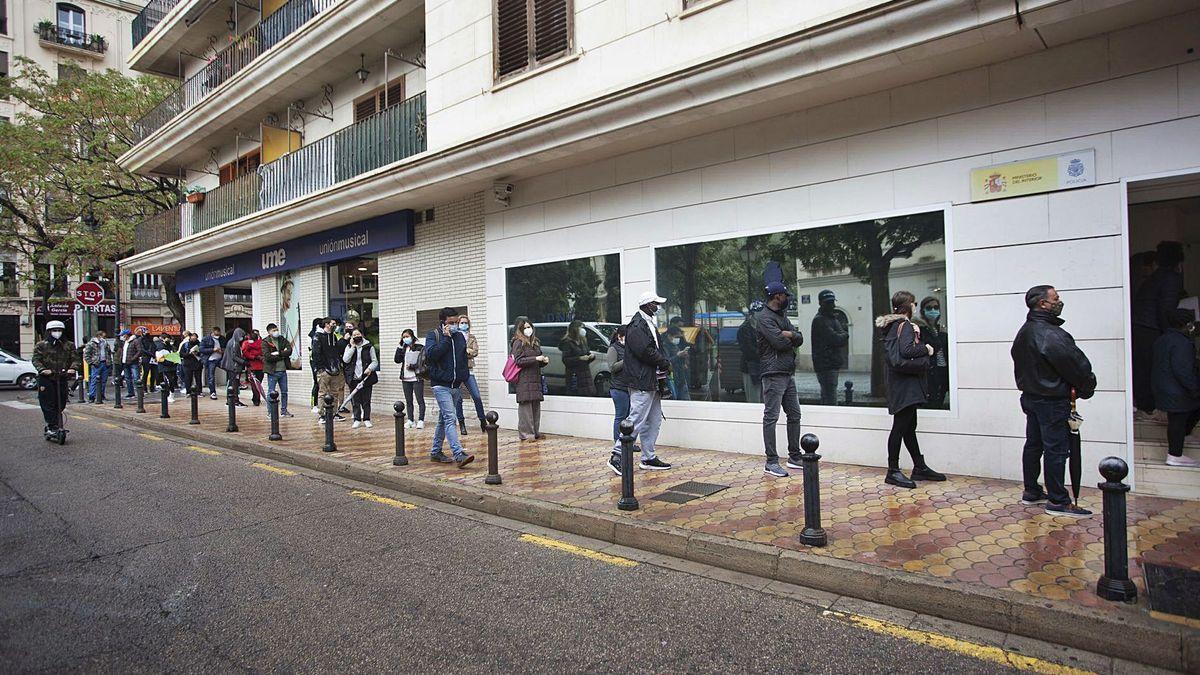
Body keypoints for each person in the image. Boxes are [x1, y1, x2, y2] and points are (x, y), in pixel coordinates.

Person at [1011, 285, 1097, 517]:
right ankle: (1058, 500)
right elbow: (1076, 365)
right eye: (1056, 298)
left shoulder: (1025, 331)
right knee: (1055, 449)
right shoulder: (1050, 334)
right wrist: (1087, 386)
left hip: (1032, 397)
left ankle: (1032, 490)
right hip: (1051, 400)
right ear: (1043, 303)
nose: (1059, 301)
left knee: (1034, 444)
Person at [877, 290, 947, 489]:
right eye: (914, 304)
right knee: (900, 427)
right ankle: (893, 471)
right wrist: (927, 349)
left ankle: (919, 466)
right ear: (910, 306)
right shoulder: (905, 325)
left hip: (901, 385)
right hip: (905, 385)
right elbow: (907, 351)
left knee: (908, 427)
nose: (916, 307)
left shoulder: (892, 326)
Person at [608, 291, 673, 475]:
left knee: (653, 420)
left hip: (652, 380)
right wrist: (663, 361)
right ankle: (617, 455)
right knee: (636, 418)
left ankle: (648, 457)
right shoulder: (636, 325)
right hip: (641, 380)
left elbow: (654, 348)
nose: (657, 307)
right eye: (655, 303)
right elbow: (645, 351)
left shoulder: (648, 323)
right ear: (646, 304)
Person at [1132, 241, 1186, 421]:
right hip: (1151, 329)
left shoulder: (1156, 277)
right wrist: (1170, 334)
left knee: (1143, 369)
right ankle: (1151, 408)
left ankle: (1145, 407)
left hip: (1141, 327)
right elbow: (1166, 309)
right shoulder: (1171, 278)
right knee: (1155, 369)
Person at [757, 281, 805, 477]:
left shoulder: (782, 316)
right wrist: (788, 337)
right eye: (785, 296)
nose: (788, 299)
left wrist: (790, 334)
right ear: (777, 296)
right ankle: (771, 461)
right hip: (773, 372)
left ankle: (794, 456)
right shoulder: (764, 318)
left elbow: (799, 338)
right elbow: (780, 344)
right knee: (771, 417)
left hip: (786, 372)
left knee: (794, 414)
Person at [424, 307, 475, 467]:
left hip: (455, 384)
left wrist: (463, 377)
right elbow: (432, 355)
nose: (454, 325)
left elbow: (461, 358)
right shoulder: (434, 335)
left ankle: (435, 452)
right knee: (450, 418)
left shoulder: (459, 336)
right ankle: (458, 453)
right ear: (443, 322)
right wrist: (446, 338)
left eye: (456, 322)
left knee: (443, 420)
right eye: (451, 322)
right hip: (440, 384)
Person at [1151, 309, 1200, 467]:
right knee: (1178, 420)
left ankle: (1180, 444)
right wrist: (1195, 389)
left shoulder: (1162, 339)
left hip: (1163, 388)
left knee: (1177, 420)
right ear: (1186, 325)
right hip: (1177, 390)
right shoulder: (1182, 343)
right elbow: (1183, 370)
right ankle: (1175, 454)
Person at [33, 321, 78, 436]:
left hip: (61, 376)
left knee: (61, 401)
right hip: (46, 377)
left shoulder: (69, 345)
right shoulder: (41, 345)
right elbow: (36, 360)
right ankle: (51, 425)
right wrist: (42, 370)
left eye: (59, 330)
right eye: (54, 330)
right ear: (49, 332)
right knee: (48, 402)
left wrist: (72, 368)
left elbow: (75, 359)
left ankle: (56, 422)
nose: (57, 333)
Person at [511, 317, 548, 441]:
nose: (528, 330)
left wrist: (543, 361)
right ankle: (526, 434)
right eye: (525, 328)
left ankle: (535, 432)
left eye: (529, 327)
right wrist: (535, 359)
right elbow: (519, 361)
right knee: (526, 409)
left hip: (535, 378)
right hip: (524, 379)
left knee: (536, 408)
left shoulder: (535, 342)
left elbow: (537, 358)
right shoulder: (518, 342)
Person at [811, 289, 848, 406]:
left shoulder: (832, 319)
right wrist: (844, 335)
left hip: (831, 363)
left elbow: (840, 336)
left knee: (828, 395)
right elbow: (836, 338)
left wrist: (842, 335)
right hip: (825, 364)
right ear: (821, 303)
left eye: (832, 302)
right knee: (830, 397)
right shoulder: (820, 320)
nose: (832, 305)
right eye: (829, 302)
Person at [913, 296, 949, 408]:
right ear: (923, 311)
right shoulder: (921, 329)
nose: (933, 310)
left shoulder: (940, 329)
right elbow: (932, 347)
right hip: (930, 371)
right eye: (929, 308)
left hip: (943, 370)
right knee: (931, 402)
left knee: (940, 400)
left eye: (936, 307)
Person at [454, 314, 486, 435]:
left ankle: (482, 420)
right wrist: (465, 351)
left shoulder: (472, 337)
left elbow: (475, 351)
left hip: (469, 370)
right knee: (458, 399)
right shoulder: (455, 337)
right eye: (461, 323)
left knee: (476, 396)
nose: (464, 325)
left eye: (465, 322)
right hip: (457, 370)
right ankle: (461, 423)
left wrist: (466, 351)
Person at [342, 327, 379, 429]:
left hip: (366, 378)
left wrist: (370, 368)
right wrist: (352, 347)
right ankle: (357, 419)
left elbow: (375, 361)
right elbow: (345, 360)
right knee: (355, 400)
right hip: (353, 378)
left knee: (366, 400)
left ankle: (367, 419)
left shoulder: (368, 346)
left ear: (362, 335)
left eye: (358, 335)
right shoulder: (349, 346)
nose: (357, 337)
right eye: (354, 335)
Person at [311, 318, 346, 422]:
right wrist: (320, 369)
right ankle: (322, 415)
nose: (335, 325)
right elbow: (316, 354)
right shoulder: (318, 336)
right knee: (323, 393)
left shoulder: (334, 336)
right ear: (326, 324)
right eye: (333, 324)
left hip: (335, 369)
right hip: (324, 370)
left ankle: (334, 413)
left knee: (335, 392)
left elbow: (336, 351)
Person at [394, 329, 426, 429]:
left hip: (416, 377)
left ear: (412, 336)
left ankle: (421, 420)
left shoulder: (419, 347)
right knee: (409, 401)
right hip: (406, 378)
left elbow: (423, 361)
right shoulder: (403, 348)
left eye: (407, 336)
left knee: (419, 399)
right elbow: (397, 360)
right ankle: (410, 420)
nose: (405, 339)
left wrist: (413, 366)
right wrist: (399, 347)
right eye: (403, 337)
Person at [262, 323, 293, 418]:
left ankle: (284, 410)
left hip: (283, 370)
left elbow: (289, 350)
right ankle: (270, 412)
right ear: (269, 332)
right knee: (271, 392)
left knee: (284, 392)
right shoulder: (265, 342)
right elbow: (268, 356)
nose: (276, 332)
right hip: (272, 371)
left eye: (276, 330)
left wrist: (278, 353)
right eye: (273, 330)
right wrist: (281, 356)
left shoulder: (282, 339)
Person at [561, 318, 597, 398]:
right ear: (575, 329)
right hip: (575, 376)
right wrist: (579, 358)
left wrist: (591, 356)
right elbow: (565, 360)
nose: (583, 330)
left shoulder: (583, 341)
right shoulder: (568, 343)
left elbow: (587, 353)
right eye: (581, 328)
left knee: (588, 396)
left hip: (586, 375)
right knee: (576, 397)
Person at [607, 325, 630, 444]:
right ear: (619, 336)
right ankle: (618, 442)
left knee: (629, 417)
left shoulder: (629, 348)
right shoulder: (613, 348)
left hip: (629, 387)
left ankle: (628, 442)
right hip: (618, 388)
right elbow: (612, 367)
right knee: (621, 416)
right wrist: (626, 359)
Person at [737, 301, 764, 403]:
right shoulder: (744, 329)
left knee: (763, 398)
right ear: (752, 314)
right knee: (754, 399)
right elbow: (748, 350)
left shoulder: (762, 327)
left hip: (762, 367)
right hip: (750, 367)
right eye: (759, 312)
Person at [664, 318, 691, 401]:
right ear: (670, 335)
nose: (678, 339)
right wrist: (678, 355)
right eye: (676, 337)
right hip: (671, 378)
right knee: (674, 400)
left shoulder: (675, 345)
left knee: (685, 401)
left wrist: (685, 359)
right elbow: (666, 362)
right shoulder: (664, 345)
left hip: (681, 377)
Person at [220, 326, 248, 407]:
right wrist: (244, 362)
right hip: (233, 367)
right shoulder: (234, 343)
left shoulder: (232, 342)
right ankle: (234, 400)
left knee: (232, 384)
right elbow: (234, 357)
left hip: (231, 366)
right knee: (234, 384)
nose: (243, 338)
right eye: (242, 336)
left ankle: (231, 400)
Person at [83, 331, 111, 403]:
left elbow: (109, 352)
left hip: (105, 363)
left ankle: (101, 395)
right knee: (94, 380)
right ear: (99, 336)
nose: (104, 338)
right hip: (97, 364)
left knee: (103, 381)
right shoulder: (91, 343)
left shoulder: (105, 343)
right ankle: (92, 396)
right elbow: (86, 354)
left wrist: (109, 361)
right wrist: (92, 362)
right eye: (103, 337)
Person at [199, 326, 224, 400]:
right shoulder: (206, 339)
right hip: (210, 360)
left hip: (220, 358)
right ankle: (212, 392)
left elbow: (225, 347)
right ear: (213, 333)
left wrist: (222, 350)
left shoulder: (222, 338)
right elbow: (201, 349)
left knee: (229, 369)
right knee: (211, 376)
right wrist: (213, 349)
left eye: (219, 334)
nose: (218, 336)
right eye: (216, 334)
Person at [242, 329, 264, 406]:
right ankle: (256, 399)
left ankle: (256, 398)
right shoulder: (248, 343)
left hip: (259, 366)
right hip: (252, 366)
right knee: (255, 384)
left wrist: (254, 356)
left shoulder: (261, 342)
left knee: (257, 384)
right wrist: (255, 356)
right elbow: (245, 352)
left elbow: (245, 352)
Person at [153, 334, 178, 403]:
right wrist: (169, 361)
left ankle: (171, 394)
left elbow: (175, 354)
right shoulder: (160, 347)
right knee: (168, 381)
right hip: (165, 367)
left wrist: (174, 360)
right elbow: (160, 358)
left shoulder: (170, 347)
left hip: (172, 367)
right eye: (168, 338)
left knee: (172, 381)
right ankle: (168, 395)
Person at [117, 328, 141, 399]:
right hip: (125, 362)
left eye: (123, 335)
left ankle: (140, 393)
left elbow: (139, 351)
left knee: (136, 378)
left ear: (126, 335)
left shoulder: (135, 341)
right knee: (127, 378)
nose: (122, 336)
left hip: (133, 362)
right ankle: (131, 393)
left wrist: (133, 358)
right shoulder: (125, 342)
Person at [179, 332, 204, 397]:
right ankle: (188, 392)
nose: (193, 338)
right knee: (188, 378)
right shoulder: (185, 345)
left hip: (197, 364)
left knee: (198, 378)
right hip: (187, 364)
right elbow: (181, 354)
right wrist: (189, 353)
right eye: (192, 337)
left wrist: (197, 353)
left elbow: (203, 353)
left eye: (195, 337)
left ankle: (199, 391)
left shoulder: (200, 345)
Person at [307, 318, 323, 414]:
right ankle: (314, 404)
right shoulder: (311, 335)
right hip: (314, 362)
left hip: (322, 361)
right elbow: (311, 350)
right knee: (316, 382)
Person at [137, 327, 157, 393]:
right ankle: (144, 388)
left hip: (152, 358)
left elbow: (154, 346)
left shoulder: (150, 339)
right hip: (146, 358)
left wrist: (154, 354)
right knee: (145, 373)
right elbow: (142, 349)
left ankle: (152, 387)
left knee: (153, 373)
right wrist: (151, 354)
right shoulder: (140, 339)